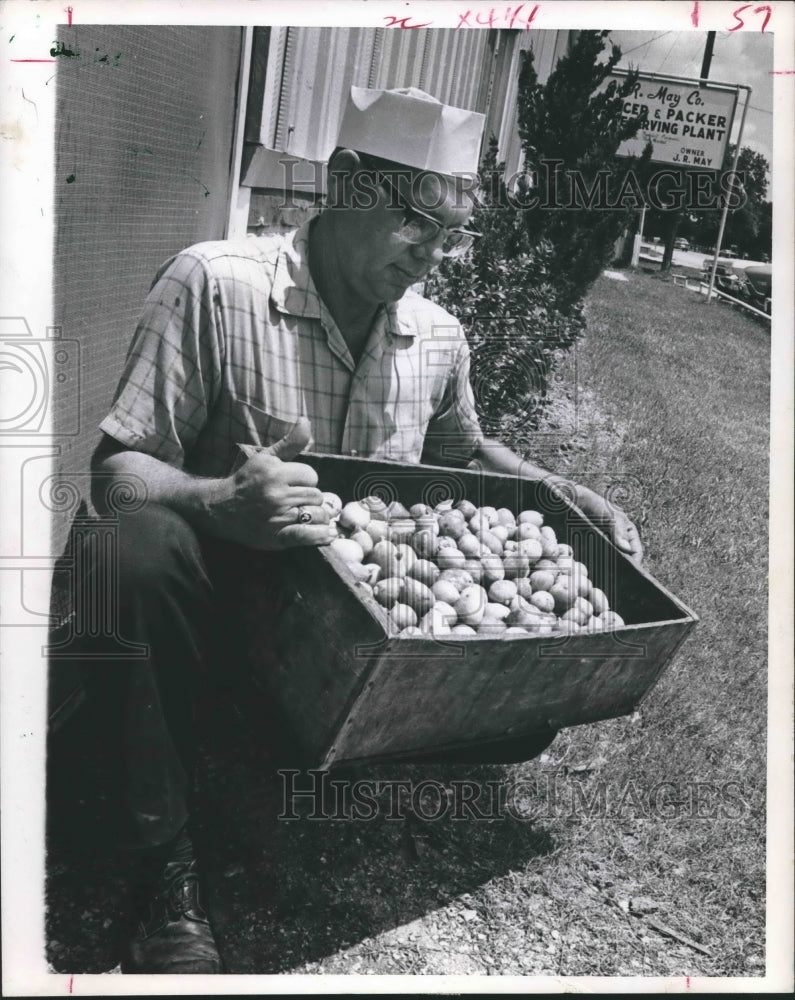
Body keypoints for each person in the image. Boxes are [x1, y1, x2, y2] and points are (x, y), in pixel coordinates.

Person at [83, 86, 643, 974]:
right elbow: (115, 473)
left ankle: (322, 749)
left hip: (348, 628)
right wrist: (219, 502)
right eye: (418, 219)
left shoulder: (435, 334)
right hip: (228, 602)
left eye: (453, 232)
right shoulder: (214, 283)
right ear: (345, 182)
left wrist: (560, 493)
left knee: (530, 674)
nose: (435, 254)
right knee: (131, 550)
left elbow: (462, 455)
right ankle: (164, 866)